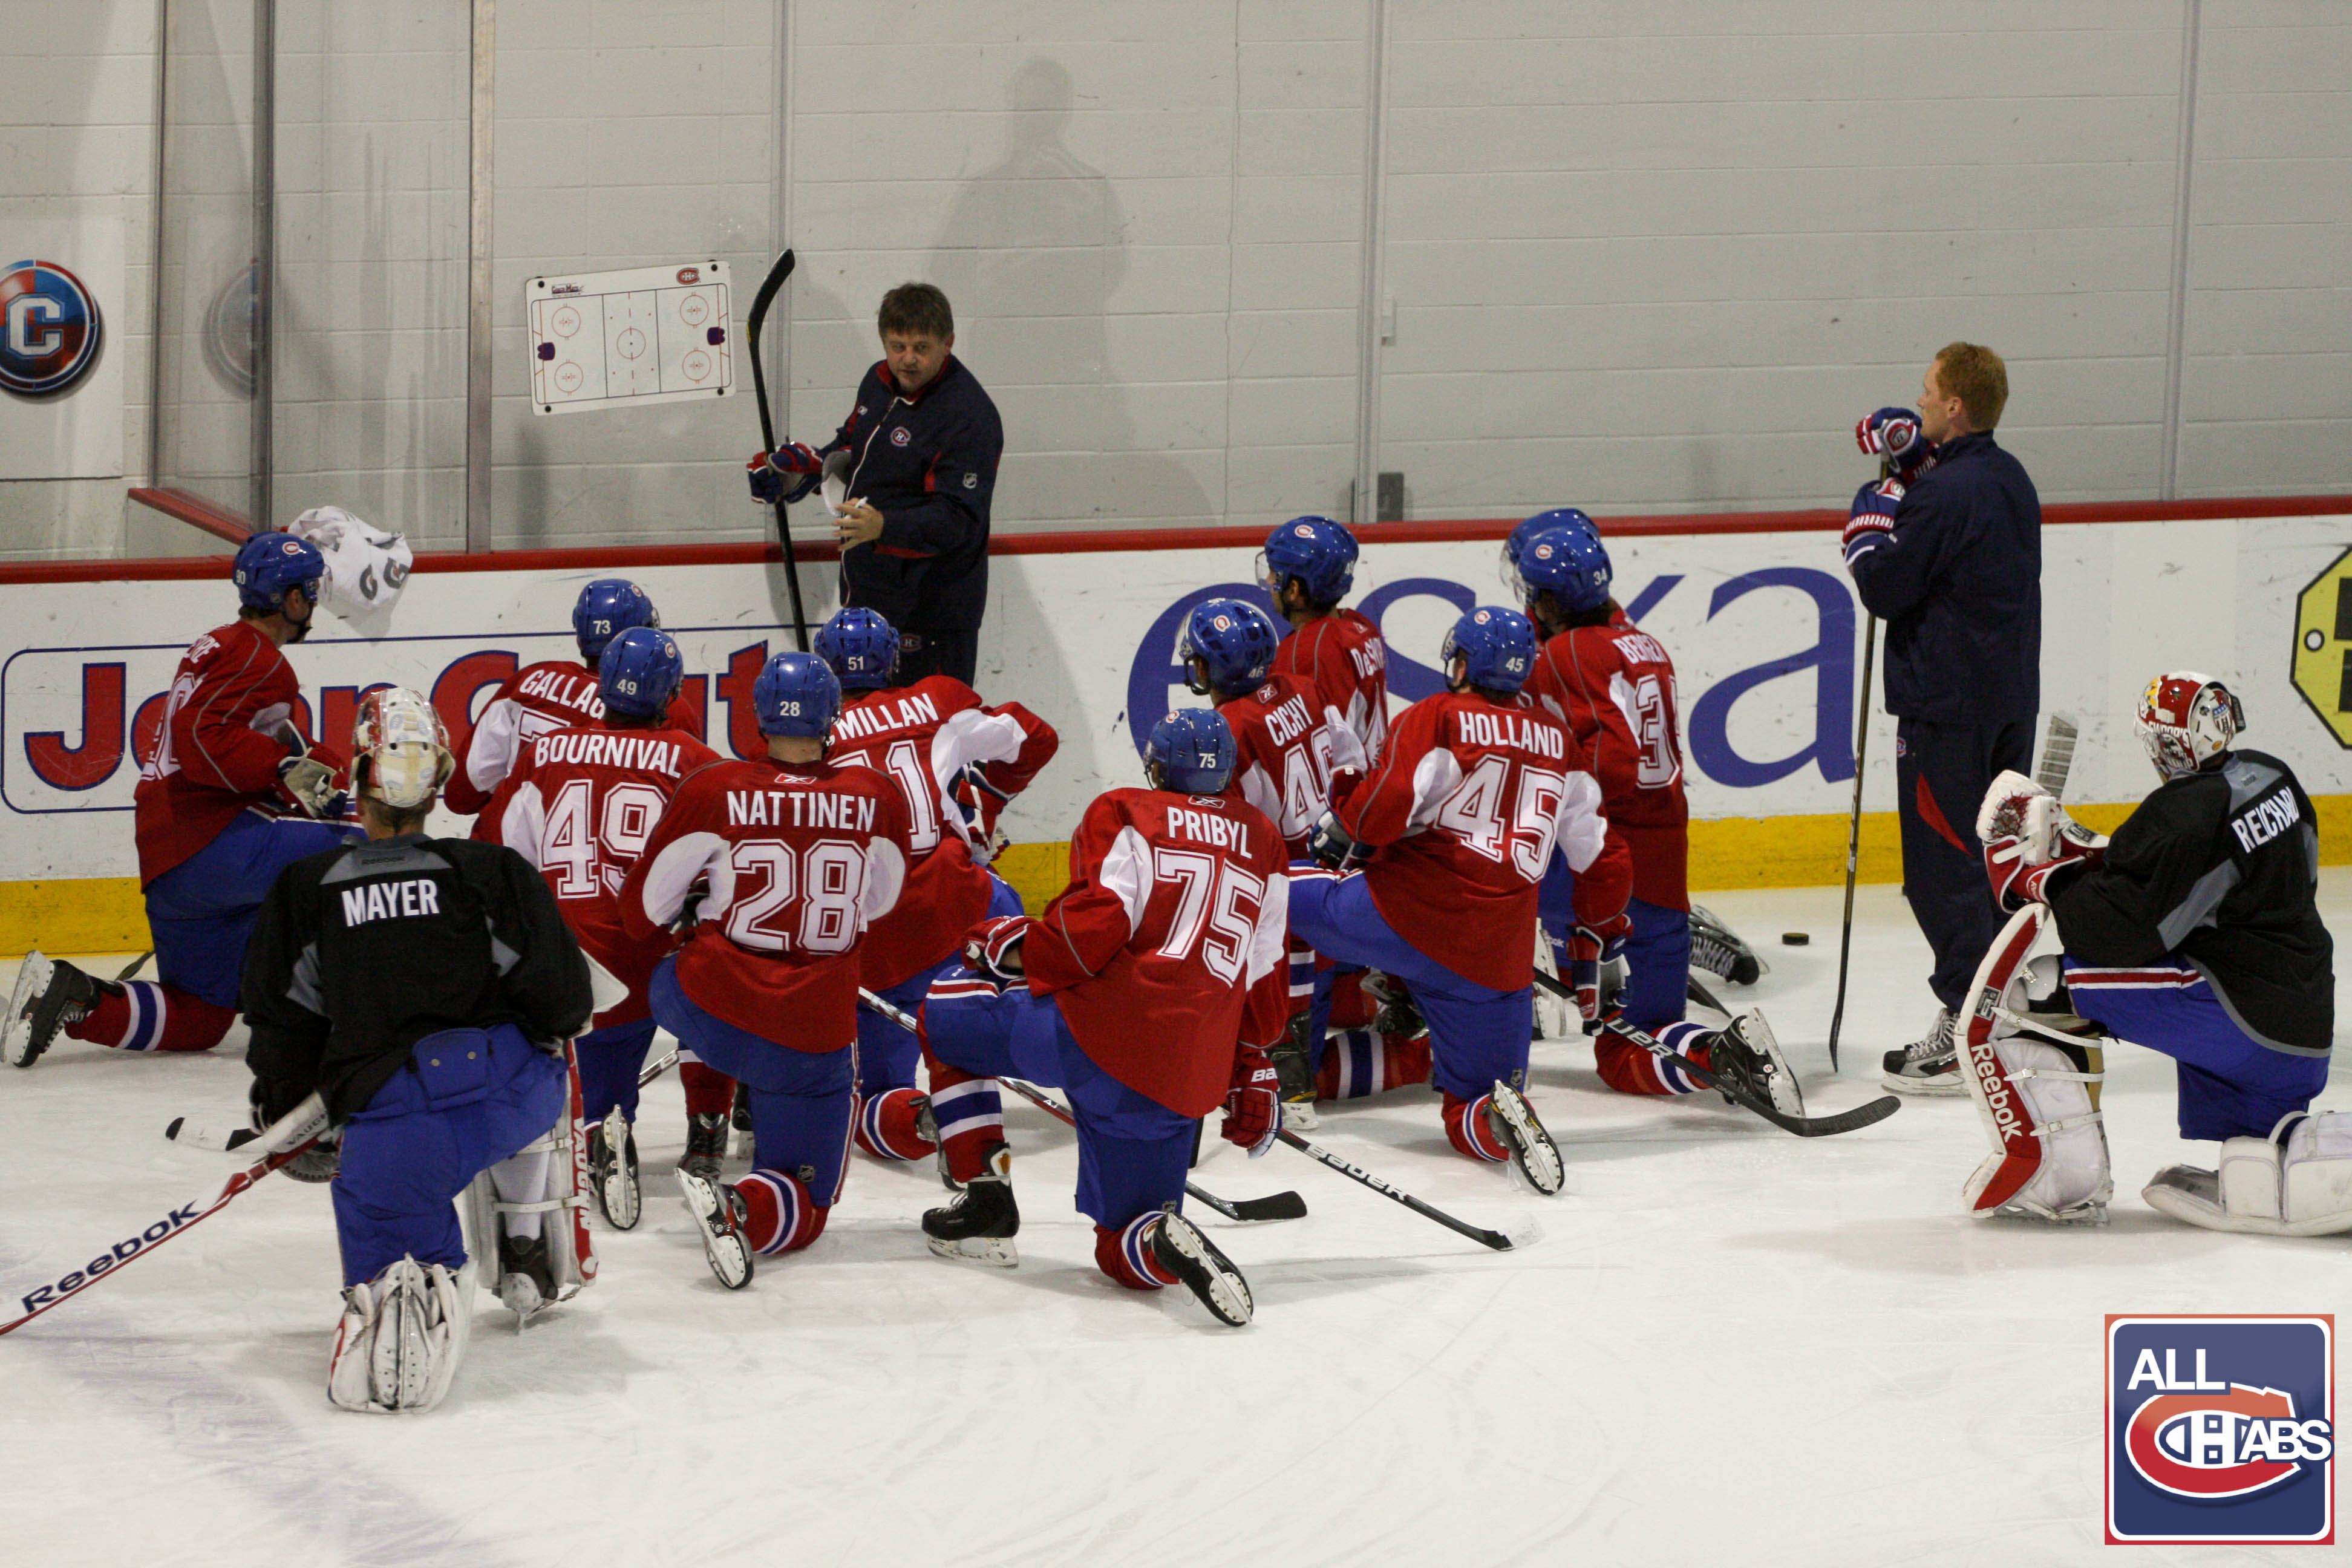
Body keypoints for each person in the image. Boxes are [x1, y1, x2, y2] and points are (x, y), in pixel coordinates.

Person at [240, 687, 595, 1412]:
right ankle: (531, 1242)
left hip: (398, 1127)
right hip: (513, 1103)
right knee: (550, 1055)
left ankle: (415, 1281)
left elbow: (283, 1025)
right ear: (437, 782)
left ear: (359, 780)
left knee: (390, 1228)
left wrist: (288, 1115)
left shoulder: (308, 888)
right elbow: (567, 1004)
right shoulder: (494, 872)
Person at [916, 708, 1289, 1327]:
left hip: (1096, 1039)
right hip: (1186, 1076)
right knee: (1123, 1243)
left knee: (946, 1011)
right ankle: (1159, 1243)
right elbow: (1266, 975)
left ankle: (984, 1203)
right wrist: (1249, 1063)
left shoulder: (1126, 811)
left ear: (1156, 765)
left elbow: (1089, 933)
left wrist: (1009, 946)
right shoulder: (1265, 839)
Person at [1957, 673, 2344, 1235]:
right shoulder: (2269, 775)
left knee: (2039, 993)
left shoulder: (2185, 812)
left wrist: (2040, 882)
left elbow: (2114, 935)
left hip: (2249, 1029)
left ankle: (2059, 1178)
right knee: (2111, 975)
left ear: (2164, 744)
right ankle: (2261, 1154)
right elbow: (2192, 872)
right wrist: (2081, 860)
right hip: (2299, 1029)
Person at [1287, 607, 1621, 1193]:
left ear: (1463, 662)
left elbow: (1386, 807)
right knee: (1475, 1100)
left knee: (1267, 892)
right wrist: (1599, 926)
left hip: (1400, 918)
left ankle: (1282, 1066)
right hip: (1496, 962)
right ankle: (1495, 1119)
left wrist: (1344, 828)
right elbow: (1601, 853)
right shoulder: (1558, 738)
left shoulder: (1437, 716)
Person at [5, 532, 360, 1068]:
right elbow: (203, 740)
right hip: (214, 847)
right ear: (291, 599)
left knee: (200, 1017)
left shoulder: (223, 644)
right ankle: (384, 1005)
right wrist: (283, 770)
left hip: (170, 864)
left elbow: (228, 737)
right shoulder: (263, 660)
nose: (312, 603)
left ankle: (72, 994)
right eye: (309, 591)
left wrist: (297, 761)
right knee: (368, 849)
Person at [619, 652, 915, 1290]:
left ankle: (710, 1117)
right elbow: (882, 901)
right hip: (808, 1037)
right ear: (832, 716)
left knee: (683, 971)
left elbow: (642, 912)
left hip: (706, 1004)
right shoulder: (875, 795)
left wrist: (699, 912)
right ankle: (743, 1204)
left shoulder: (715, 786)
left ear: (756, 715)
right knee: (806, 1208)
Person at [1514, 524, 1798, 1115]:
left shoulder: (1566, 653)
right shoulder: (1642, 643)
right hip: (1665, 887)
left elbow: (1606, 766)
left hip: (1611, 878)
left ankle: (1453, 1003)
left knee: (1464, 885)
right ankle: (1723, 1053)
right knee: (1632, 1047)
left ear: (1548, 601)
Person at [1843, 343, 2041, 1093]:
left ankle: (1968, 1026)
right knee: (1998, 865)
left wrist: (1870, 529)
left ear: (1955, 406)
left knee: (1942, 870)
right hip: (2005, 701)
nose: (1919, 403)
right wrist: (1914, 469)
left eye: (1928, 395)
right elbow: (1959, 541)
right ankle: (2004, 1006)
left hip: (1944, 710)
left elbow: (1888, 588)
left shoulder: (1945, 495)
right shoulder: (2009, 477)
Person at [486, 626, 722, 1226]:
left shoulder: (547, 752)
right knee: (721, 979)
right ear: (671, 697)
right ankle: (710, 1120)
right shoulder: (695, 761)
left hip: (570, 963)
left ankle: (598, 1123)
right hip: (650, 960)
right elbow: (729, 870)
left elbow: (502, 854)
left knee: (581, 1028)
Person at [811, 606, 1057, 1163]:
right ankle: (1103, 1069)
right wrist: (985, 811)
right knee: (1033, 994)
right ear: (894, 658)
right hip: (962, 911)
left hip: (873, 942)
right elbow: (1037, 737)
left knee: (872, 1101)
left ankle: (922, 1120)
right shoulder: (938, 700)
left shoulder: (803, 732)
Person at [748, 283, 1004, 685]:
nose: (908, 359)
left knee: (926, 740)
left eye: (922, 347)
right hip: (867, 599)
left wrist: (883, 527)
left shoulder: (969, 417)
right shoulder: (878, 382)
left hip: (931, 617)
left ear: (948, 343)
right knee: (862, 729)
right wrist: (806, 471)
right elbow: (856, 447)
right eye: (898, 345)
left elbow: (958, 520)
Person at [1177, 595, 1367, 1129]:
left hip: (1287, 884)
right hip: (1339, 870)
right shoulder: (1304, 688)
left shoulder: (1229, 729)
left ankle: (1290, 1077)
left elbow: (1233, 833)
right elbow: (1353, 762)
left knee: (1271, 962)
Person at [443, 578, 704, 834]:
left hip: (508, 861)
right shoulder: (670, 708)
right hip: (611, 867)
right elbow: (691, 818)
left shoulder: (528, 681)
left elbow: (462, 795)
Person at [1261, 516, 1390, 757]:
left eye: (1275, 575)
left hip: (1341, 790)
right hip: (1367, 776)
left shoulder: (1309, 649)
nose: (1269, 582)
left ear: (1294, 590)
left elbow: (1316, 749)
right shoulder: (1359, 625)